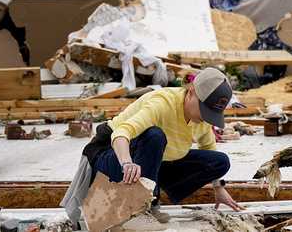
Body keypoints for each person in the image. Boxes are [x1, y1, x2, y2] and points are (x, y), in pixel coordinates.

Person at [79, 68, 242, 223]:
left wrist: (218, 188)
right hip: (110, 156)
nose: (207, 117)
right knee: (155, 136)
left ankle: (151, 193)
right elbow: (121, 133)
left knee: (220, 161)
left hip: (149, 161)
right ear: (191, 92)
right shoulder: (163, 103)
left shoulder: (200, 119)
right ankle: (139, 207)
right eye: (205, 110)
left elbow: (208, 147)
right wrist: (127, 163)